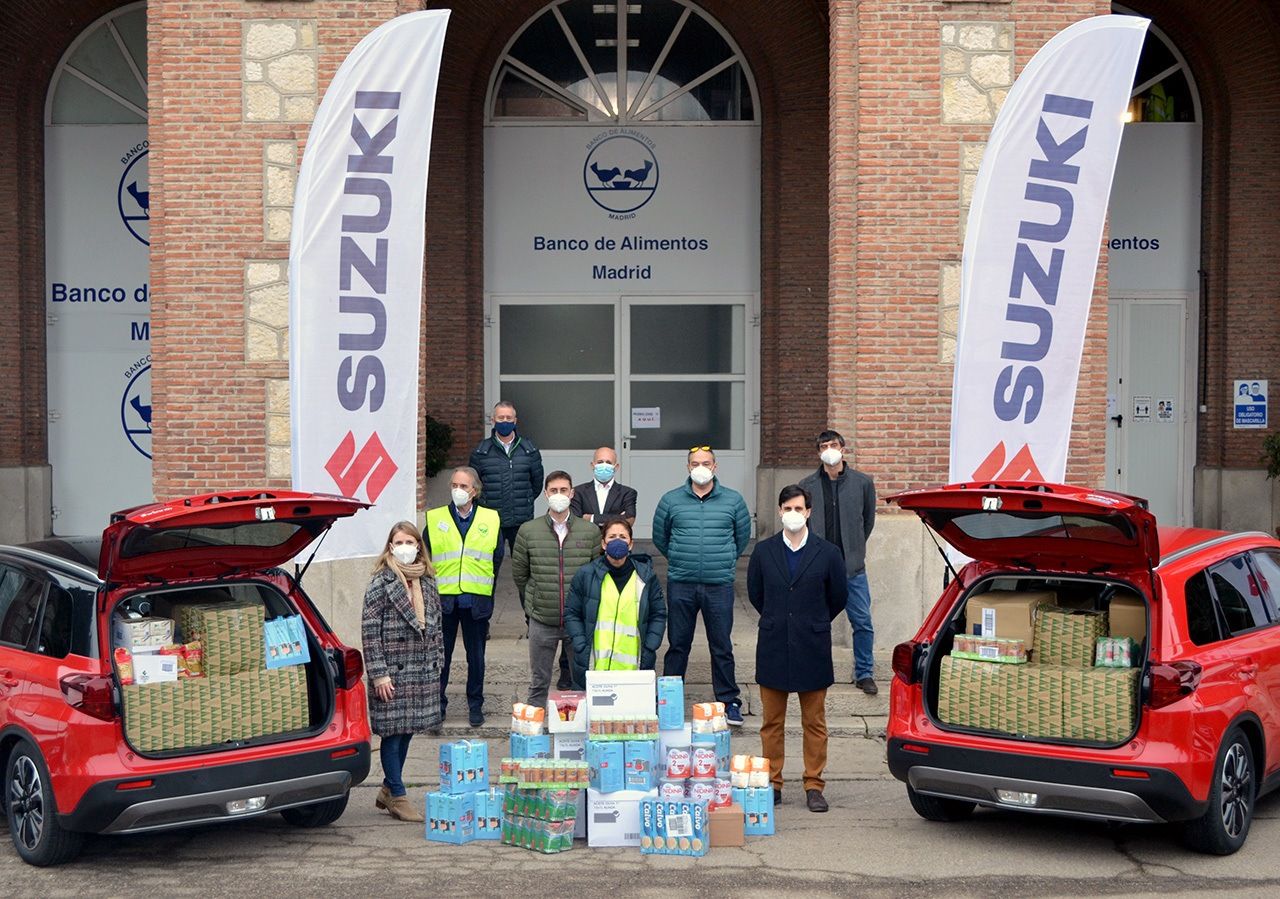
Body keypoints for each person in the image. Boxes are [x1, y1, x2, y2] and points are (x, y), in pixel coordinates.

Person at [747, 485, 846, 813]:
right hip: (774, 644)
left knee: (814, 722)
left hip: (811, 644)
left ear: (808, 512)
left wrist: (812, 620)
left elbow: (838, 597)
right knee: (771, 722)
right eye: (787, 508)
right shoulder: (764, 551)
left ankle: (814, 784)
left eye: (798, 508)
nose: (792, 514)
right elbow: (756, 594)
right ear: (779, 511)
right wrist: (780, 619)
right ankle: (773, 782)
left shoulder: (828, 552)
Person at [653, 445, 751, 726]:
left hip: (718, 584)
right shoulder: (671, 500)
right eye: (695, 463)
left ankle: (729, 700)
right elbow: (661, 537)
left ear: (715, 467)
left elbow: (741, 537)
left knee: (721, 645)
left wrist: (726, 559)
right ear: (688, 467)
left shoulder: (733, 501)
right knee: (677, 644)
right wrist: (680, 558)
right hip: (681, 583)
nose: (701, 467)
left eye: (706, 462)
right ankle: (668, 700)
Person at [362, 521, 443, 823]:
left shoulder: (428, 580)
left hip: (421, 670)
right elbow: (370, 632)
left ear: (419, 546)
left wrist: (439, 662)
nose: (406, 547)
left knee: (407, 731)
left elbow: (437, 627)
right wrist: (379, 674)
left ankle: (386, 788)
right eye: (400, 542)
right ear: (391, 547)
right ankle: (397, 794)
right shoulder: (380, 583)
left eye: (411, 541)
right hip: (392, 673)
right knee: (392, 735)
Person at [512, 471, 602, 709]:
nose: (559, 495)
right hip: (542, 618)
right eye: (554, 491)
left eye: (564, 490)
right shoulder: (528, 530)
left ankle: (580, 734)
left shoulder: (590, 532)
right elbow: (520, 574)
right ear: (545, 494)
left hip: (578, 621)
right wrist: (534, 604)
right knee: (539, 682)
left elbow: (595, 573)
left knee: (581, 682)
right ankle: (534, 735)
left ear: (572, 493)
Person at [799, 429, 879, 694]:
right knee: (814, 622)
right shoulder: (807, 485)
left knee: (862, 622)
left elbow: (867, 521)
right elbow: (803, 523)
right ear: (819, 452)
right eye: (824, 446)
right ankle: (812, 670)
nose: (829, 449)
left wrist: (855, 549)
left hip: (852, 568)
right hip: (819, 568)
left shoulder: (862, 483)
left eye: (834, 444)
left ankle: (864, 672)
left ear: (843, 449)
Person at [424, 466, 501, 728]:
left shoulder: (491, 519)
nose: (458, 490)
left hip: (476, 600)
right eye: (455, 485)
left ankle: (475, 705)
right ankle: (437, 707)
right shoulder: (435, 519)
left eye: (464, 486)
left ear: (475, 491)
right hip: (444, 601)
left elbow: (497, 558)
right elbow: (425, 557)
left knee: (475, 656)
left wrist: (488, 591)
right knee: (440, 657)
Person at [564, 516, 667, 687]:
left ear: (630, 544)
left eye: (622, 537)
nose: (617, 541)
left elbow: (659, 613)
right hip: (594, 666)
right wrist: (580, 643)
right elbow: (571, 612)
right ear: (603, 544)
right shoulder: (586, 574)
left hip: (634, 667)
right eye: (612, 537)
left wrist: (651, 644)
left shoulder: (645, 577)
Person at [469, 400, 544, 556]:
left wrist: (525, 499)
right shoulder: (481, 452)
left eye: (509, 418)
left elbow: (536, 484)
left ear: (515, 421)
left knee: (523, 565)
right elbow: (473, 486)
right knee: (490, 565)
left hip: (521, 519)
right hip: (491, 519)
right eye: (501, 418)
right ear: (493, 420)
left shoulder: (529, 450)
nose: (505, 421)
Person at [570, 446, 638, 524]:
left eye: (608, 462)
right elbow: (575, 521)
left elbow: (629, 519)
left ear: (616, 467)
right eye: (600, 462)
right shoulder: (578, 492)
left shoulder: (627, 493)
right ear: (592, 465)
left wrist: (592, 518)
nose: (604, 465)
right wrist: (618, 517)